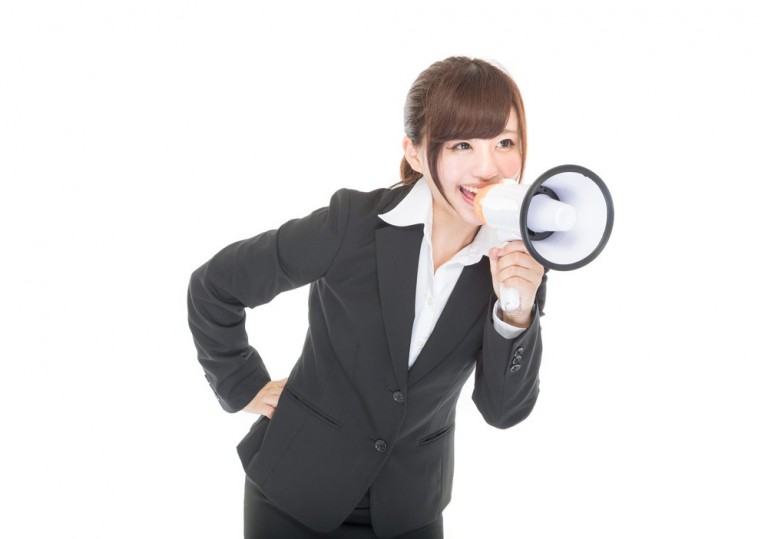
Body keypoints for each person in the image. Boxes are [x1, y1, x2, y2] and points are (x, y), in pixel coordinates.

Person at [187, 56, 546, 539]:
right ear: (415, 152)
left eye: (504, 142)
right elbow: (215, 286)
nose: (487, 168)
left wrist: (515, 312)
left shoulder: (518, 259)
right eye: (462, 144)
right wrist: (242, 384)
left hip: (409, 509)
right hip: (295, 491)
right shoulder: (352, 224)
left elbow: (502, 411)